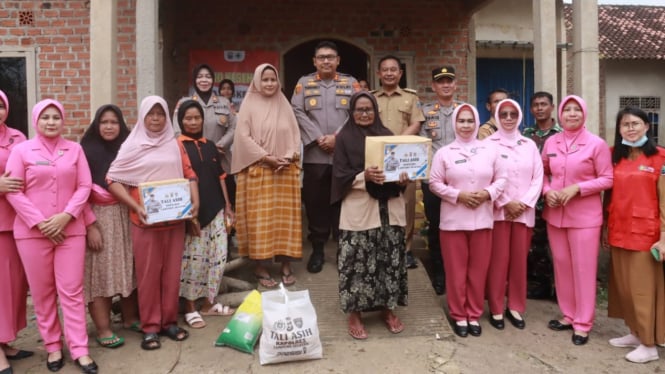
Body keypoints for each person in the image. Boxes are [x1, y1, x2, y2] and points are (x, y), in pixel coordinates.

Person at [5, 99, 97, 373]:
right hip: (32, 234)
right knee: (43, 293)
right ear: (36, 120)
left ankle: (79, 349)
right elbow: (12, 190)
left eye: (56, 117)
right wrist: (40, 223)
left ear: (63, 120)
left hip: (70, 231)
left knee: (72, 291)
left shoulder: (75, 150)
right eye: (45, 117)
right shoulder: (21, 151)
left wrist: (66, 216)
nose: (51, 122)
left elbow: (84, 186)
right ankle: (53, 347)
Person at [107, 96, 199, 351]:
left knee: (171, 273)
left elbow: (189, 174)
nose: (156, 119)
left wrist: (195, 203)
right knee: (148, 275)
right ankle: (150, 327)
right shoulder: (132, 145)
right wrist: (135, 205)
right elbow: (113, 179)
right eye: (151, 114)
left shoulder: (174, 144)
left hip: (174, 220)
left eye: (161, 114)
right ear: (143, 116)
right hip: (144, 221)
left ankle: (169, 322)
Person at [332, 91, 409, 340]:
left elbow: (398, 167)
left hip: (389, 208)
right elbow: (339, 174)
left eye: (369, 109)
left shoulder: (387, 135)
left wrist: (403, 176)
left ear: (375, 111)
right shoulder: (343, 138)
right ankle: (355, 313)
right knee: (357, 261)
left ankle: (387, 309)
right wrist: (362, 176)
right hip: (359, 207)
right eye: (359, 110)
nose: (364, 114)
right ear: (351, 113)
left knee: (388, 257)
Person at [428, 103, 506, 338]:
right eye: (461, 121)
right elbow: (434, 183)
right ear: (454, 124)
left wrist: (487, 194)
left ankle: (474, 312)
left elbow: (501, 178)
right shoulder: (444, 152)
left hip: (482, 220)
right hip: (453, 222)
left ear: (477, 123)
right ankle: (459, 315)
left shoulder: (489, 150)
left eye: (470, 121)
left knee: (478, 271)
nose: (465, 125)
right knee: (456, 271)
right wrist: (458, 195)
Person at [542, 95, 613, 345]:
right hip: (556, 216)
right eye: (567, 110)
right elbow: (542, 173)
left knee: (583, 269)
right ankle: (569, 315)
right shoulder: (551, 142)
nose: (572, 114)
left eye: (577, 110)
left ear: (584, 114)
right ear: (560, 115)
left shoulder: (596, 144)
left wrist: (577, 189)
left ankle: (583, 323)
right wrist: (547, 191)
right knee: (562, 267)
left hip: (584, 217)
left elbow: (607, 178)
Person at [291, 40, 360, 273]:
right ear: (314, 61)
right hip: (315, 155)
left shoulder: (351, 83)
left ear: (338, 60)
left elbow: (358, 113)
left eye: (330, 57)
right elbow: (297, 111)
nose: (326, 61)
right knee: (315, 204)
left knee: (343, 203)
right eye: (321, 57)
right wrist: (319, 137)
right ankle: (318, 250)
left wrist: (336, 139)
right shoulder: (304, 83)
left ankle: (344, 251)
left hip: (343, 156)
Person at [233, 63, 302, 287]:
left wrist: (290, 155)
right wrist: (266, 157)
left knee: (285, 221)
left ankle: (285, 264)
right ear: (256, 81)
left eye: (273, 79)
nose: (270, 84)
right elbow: (243, 137)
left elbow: (295, 135)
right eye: (265, 80)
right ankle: (261, 267)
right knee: (260, 221)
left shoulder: (285, 105)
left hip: (284, 172)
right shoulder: (248, 106)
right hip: (259, 172)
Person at [605, 106, 665, 363]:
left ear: (647, 126)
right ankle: (634, 332)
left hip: (646, 234)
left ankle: (650, 344)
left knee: (643, 290)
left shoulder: (660, 158)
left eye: (635, 123)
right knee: (623, 288)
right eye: (625, 124)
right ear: (618, 130)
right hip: (618, 230)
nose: (630, 128)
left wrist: (664, 235)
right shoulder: (614, 157)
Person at [80, 104, 139, 349]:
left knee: (130, 269)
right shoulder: (85, 151)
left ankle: (130, 318)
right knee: (101, 275)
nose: (109, 126)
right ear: (96, 124)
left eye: (114, 122)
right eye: (104, 122)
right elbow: (78, 191)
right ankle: (103, 329)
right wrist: (90, 225)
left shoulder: (129, 149)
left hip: (128, 217)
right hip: (99, 219)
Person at [484, 99, 543, 330]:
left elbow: (538, 178)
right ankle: (497, 308)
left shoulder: (528, 144)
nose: (508, 118)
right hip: (499, 213)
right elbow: (485, 177)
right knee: (498, 261)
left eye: (512, 114)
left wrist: (524, 203)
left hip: (523, 213)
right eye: (504, 114)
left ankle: (516, 306)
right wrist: (505, 202)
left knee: (519, 261)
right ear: (497, 116)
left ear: (519, 116)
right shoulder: (488, 144)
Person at [176, 99, 235, 329]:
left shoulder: (210, 145)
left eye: (197, 118)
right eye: (188, 118)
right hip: (194, 214)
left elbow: (221, 177)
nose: (193, 122)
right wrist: (189, 217)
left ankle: (209, 303)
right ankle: (190, 306)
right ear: (181, 121)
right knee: (193, 262)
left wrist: (228, 206)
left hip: (217, 209)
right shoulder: (177, 146)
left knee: (218, 258)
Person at [373, 55, 425, 270]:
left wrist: (396, 144)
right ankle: (380, 248)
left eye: (393, 69)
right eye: (385, 70)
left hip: (404, 159)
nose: (389, 73)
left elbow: (416, 123)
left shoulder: (411, 98)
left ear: (400, 73)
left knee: (406, 204)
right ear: (378, 74)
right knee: (378, 203)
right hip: (377, 158)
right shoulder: (371, 98)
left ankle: (405, 249)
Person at [419, 66, 463, 295]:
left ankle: (459, 274)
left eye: (449, 81)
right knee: (436, 227)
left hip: (461, 181)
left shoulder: (465, 111)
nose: (445, 85)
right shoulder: (424, 112)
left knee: (460, 228)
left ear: (455, 84)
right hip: (433, 181)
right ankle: (440, 274)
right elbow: (422, 145)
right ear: (434, 86)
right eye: (441, 82)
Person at [173, 64, 236, 210]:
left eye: (208, 77)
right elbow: (176, 132)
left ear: (213, 80)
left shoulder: (224, 103)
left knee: (225, 202)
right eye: (200, 77)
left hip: (222, 160)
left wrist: (219, 145)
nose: (204, 80)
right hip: (193, 161)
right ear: (194, 80)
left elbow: (234, 127)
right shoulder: (184, 103)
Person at [0, 90, 30, 374]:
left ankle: (6, 340)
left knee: (14, 286)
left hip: (17, 221)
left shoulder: (19, 137)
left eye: (0, 106)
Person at [523, 91, 562, 300]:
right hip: (533, 199)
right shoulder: (526, 135)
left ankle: (561, 288)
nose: (539, 108)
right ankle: (541, 284)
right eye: (536, 105)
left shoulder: (562, 134)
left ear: (552, 107)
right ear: (531, 109)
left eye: (544, 104)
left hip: (556, 197)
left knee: (558, 246)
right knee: (536, 244)